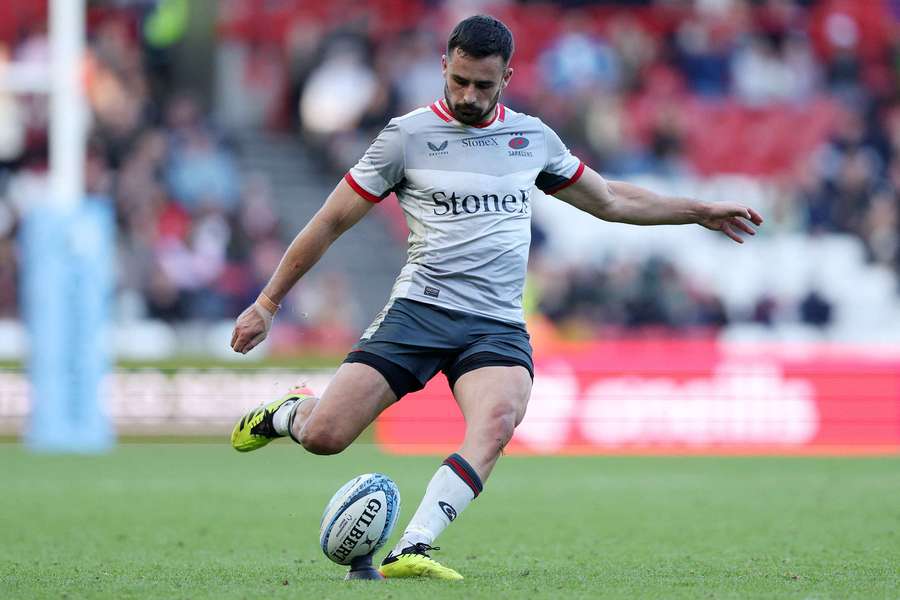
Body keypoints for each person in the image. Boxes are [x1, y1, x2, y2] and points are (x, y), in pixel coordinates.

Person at [229, 15, 763, 580]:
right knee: (326, 437)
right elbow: (331, 221)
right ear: (444, 66)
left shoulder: (530, 138)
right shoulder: (406, 137)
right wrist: (267, 303)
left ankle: (414, 544)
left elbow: (607, 198)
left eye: (483, 85)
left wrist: (697, 210)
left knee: (499, 420)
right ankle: (291, 412)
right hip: (419, 312)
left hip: (496, 325)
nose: (467, 95)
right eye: (458, 80)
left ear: (507, 77)